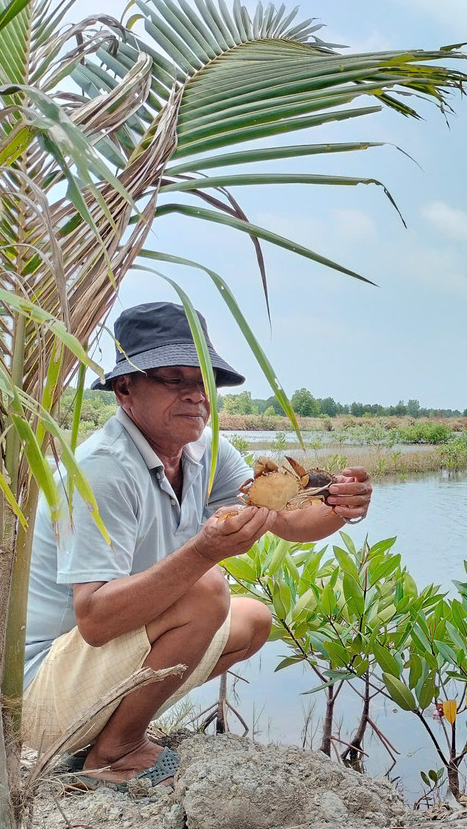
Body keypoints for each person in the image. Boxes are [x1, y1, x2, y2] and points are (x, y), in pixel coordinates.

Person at [21, 301, 371, 788]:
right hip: (43, 694)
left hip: (91, 678)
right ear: (125, 389)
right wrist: (204, 552)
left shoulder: (204, 451)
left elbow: (288, 522)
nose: (195, 396)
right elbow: (96, 621)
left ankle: (117, 729)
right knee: (206, 588)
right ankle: (114, 754)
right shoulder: (103, 469)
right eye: (173, 379)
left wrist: (339, 506)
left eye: (201, 379)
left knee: (253, 620)